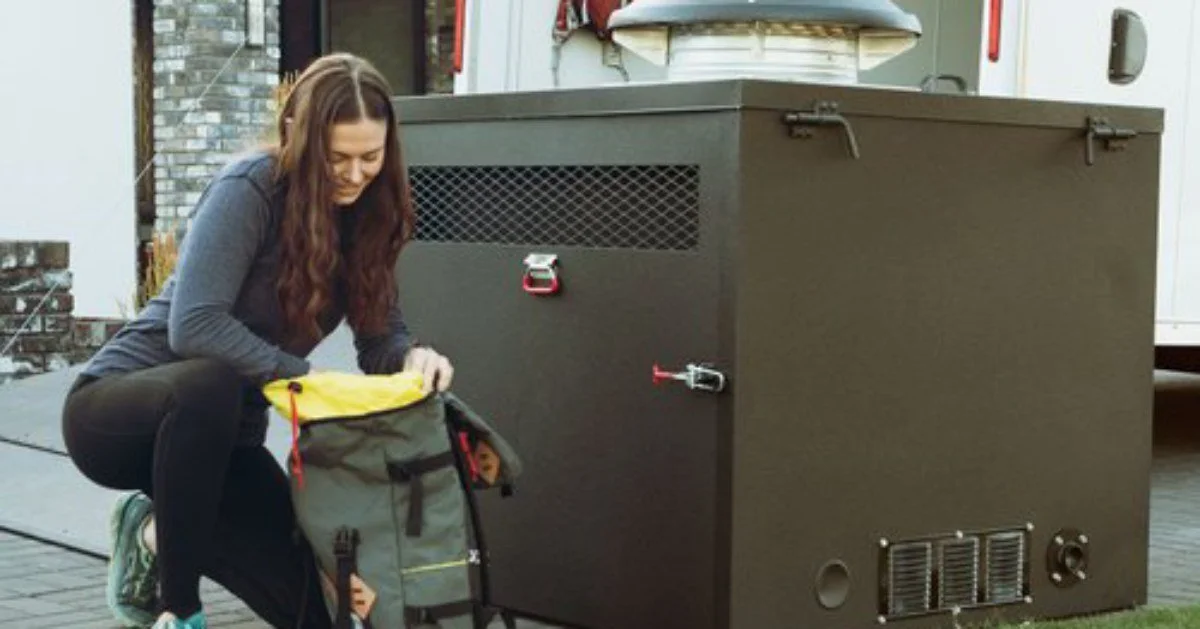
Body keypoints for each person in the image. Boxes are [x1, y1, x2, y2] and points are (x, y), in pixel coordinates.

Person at [61, 52, 454, 629]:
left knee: (324, 609)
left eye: (370, 157)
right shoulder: (250, 189)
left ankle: (152, 530)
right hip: (119, 412)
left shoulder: (369, 215)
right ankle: (180, 609)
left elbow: (379, 340)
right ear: (297, 135)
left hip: (224, 444)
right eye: (337, 157)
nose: (353, 173)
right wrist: (302, 376)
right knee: (209, 383)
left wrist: (412, 355)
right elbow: (193, 325)